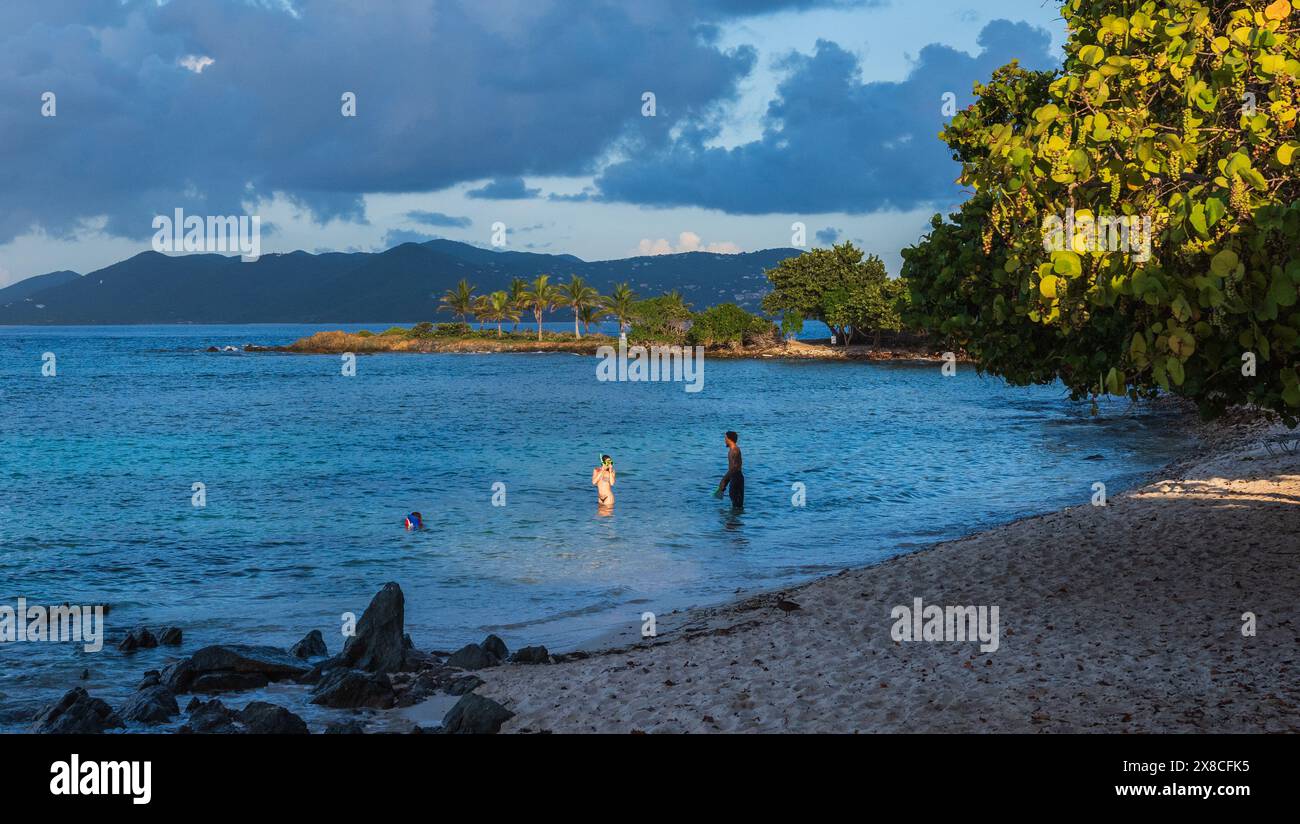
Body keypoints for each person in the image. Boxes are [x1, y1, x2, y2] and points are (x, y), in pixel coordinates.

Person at [714, 431, 744, 509]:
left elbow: (733, 468)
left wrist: (723, 481)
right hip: (737, 477)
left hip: (736, 478)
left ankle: (733, 520)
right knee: (737, 504)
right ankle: (735, 520)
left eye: (725, 438)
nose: (724, 440)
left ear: (729, 439)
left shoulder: (733, 451)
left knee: (736, 504)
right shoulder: (735, 449)